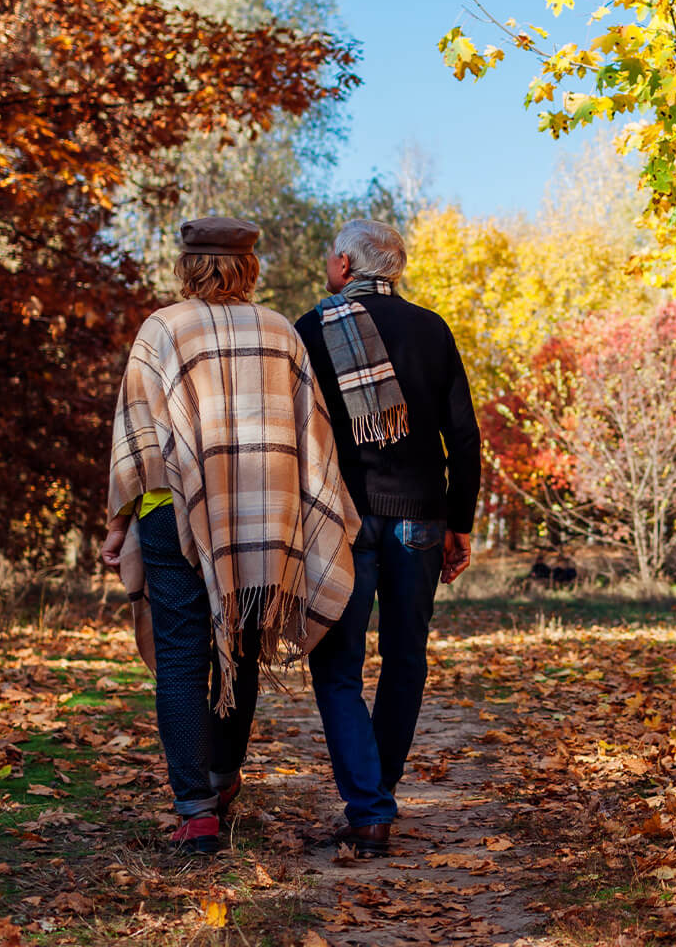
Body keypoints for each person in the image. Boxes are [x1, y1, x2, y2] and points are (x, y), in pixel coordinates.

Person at [102, 216, 359, 854]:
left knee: (185, 657)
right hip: (262, 519)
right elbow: (311, 438)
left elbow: (134, 433)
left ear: (189, 265)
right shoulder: (279, 332)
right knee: (241, 646)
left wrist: (115, 526)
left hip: (171, 513)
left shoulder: (162, 328)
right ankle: (221, 781)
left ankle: (196, 811)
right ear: (249, 268)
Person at [295, 219, 480, 857]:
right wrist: (460, 521)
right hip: (420, 517)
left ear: (345, 264)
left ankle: (369, 808)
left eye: (329, 253)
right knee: (405, 658)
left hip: (342, 519)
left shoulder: (313, 328)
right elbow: (464, 437)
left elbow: (295, 434)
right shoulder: (432, 329)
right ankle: (381, 791)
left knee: (337, 663)